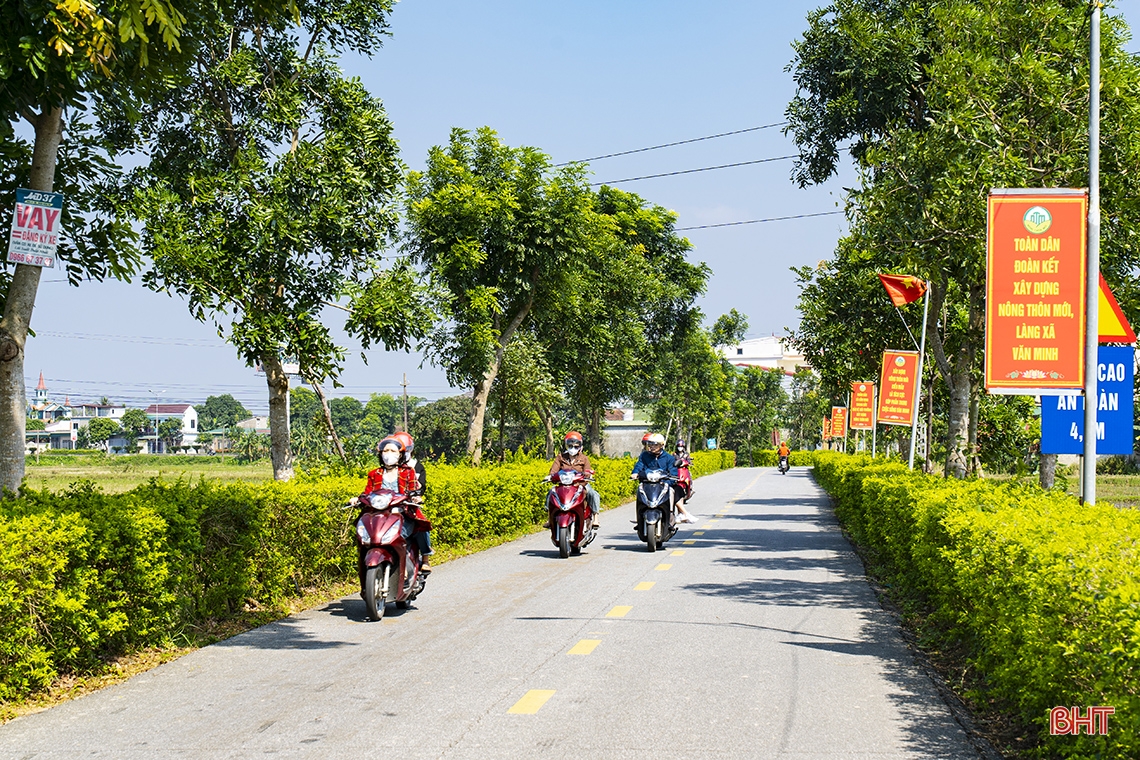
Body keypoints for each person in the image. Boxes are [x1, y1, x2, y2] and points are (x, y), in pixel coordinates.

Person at [630, 433, 694, 523]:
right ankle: (640, 517)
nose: (652, 447)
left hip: (663, 484)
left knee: (673, 491)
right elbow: (639, 466)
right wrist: (635, 473)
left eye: (655, 444)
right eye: (650, 444)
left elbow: (673, 472)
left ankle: (671, 515)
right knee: (640, 491)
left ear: (661, 445)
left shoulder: (669, 458)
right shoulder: (644, 456)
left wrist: (669, 480)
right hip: (647, 483)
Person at [393, 431, 433, 572]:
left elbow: (420, 487)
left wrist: (417, 495)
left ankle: (426, 558)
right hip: (389, 505)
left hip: (407, 504)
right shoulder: (386, 468)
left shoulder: (415, 467)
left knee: (421, 524)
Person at [546, 431, 601, 528]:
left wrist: (586, 476)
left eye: (576, 446)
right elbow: (553, 471)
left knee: (593, 494)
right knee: (551, 492)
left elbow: (587, 471)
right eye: (570, 446)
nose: (573, 448)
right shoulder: (560, 457)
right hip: (563, 485)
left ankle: (596, 518)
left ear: (580, 446)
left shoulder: (584, 458)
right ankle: (549, 518)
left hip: (580, 483)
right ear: (566, 445)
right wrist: (551, 477)